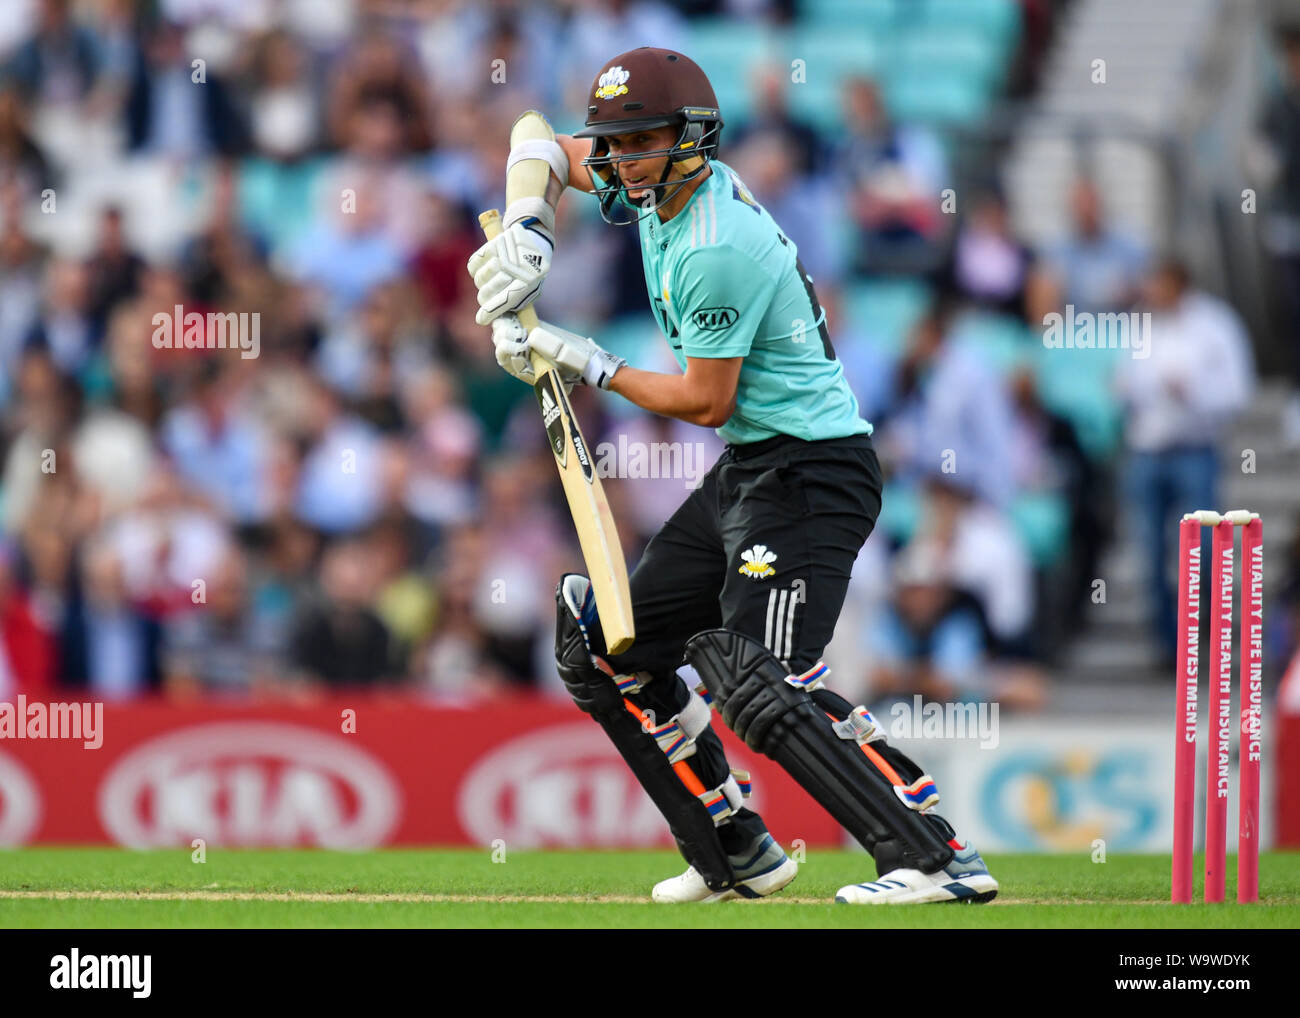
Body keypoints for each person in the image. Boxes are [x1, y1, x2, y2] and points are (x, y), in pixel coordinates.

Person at [466, 48, 997, 905]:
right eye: (612, 142)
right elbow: (534, 137)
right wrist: (530, 224)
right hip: (754, 469)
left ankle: (933, 857)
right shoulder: (648, 181)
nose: (613, 161)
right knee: (605, 649)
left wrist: (583, 359)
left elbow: (708, 401)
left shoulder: (717, 244)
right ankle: (735, 847)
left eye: (636, 143)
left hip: (814, 473)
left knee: (754, 673)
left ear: (691, 141)